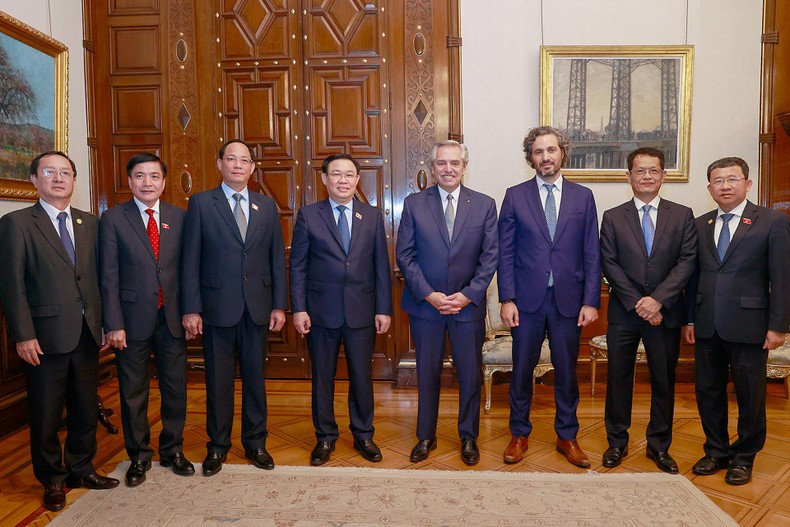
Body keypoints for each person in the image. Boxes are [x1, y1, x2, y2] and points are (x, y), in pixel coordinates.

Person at [0, 152, 119, 511]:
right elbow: (12, 284)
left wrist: (105, 325)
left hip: (86, 332)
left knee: (85, 407)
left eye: (65, 173)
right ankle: (52, 479)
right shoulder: (17, 223)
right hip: (43, 336)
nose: (58, 178)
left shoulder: (90, 223)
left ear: (74, 180)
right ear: (34, 179)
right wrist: (23, 334)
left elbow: (99, 278)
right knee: (47, 412)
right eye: (49, 172)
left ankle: (81, 468)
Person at [181, 139, 287, 476]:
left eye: (244, 160)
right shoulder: (200, 203)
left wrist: (279, 305)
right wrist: (192, 308)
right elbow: (190, 261)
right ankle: (218, 446)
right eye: (231, 159)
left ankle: (256, 443)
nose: (238, 165)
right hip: (216, 309)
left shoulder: (266, 206)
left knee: (256, 380)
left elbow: (275, 259)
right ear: (220, 164)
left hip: (257, 308)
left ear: (253, 168)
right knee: (218, 382)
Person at [498, 126, 601, 468]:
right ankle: (519, 433)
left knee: (567, 372)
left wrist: (591, 300)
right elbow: (505, 252)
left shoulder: (583, 196)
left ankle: (567, 437)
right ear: (531, 157)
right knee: (522, 369)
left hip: (570, 302)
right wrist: (507, 298)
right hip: (526, 301)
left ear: (562, 154)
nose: (545, 157)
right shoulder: (515, 195)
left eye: (551, 150)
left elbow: (591, 252)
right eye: (538, 151)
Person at [683, 157, 790, 485]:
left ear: (747, 183)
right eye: (718, 181)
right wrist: (689, 320)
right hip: (706, 324)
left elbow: (783, 277)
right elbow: (693, 277)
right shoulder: (701, 224)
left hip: (751, 325)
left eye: (732, 179)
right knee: (708, 391)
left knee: (750, 394)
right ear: (709, 188)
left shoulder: (772, 221)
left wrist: (779, 326)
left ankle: (744, 456)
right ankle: (715, 450)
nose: (725, 186)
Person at [396, 140, 498, 465]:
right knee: (427, 373)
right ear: (433, 167)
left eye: (455, 163)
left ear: (465, 167)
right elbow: (405, 255)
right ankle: (426, 436)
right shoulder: (414, 204)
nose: (448, 169)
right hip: (426, 306)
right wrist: (430, 294)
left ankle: (469, 437)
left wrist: (468, 295)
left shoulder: (484, 205)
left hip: (467, 308)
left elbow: (490, 256)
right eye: (442, 163)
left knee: (469, 374)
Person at [290, 153, 392, 465]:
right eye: (336, 174)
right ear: (324, 179)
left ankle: (363, 434)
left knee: (362, 376)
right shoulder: (309, 215)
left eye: (349, 174)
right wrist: (299, 308)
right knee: (323, 377)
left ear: (357, 179)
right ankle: (325, 437)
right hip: (320, 312)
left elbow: (381, 267)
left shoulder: (371, 216)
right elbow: (298, 267)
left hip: (362, 310)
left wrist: (384, 309)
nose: (343, 180)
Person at [599, 147, 697, 473]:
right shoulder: (613, 217)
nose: (647, 177)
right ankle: (617, 442)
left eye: (653, 171)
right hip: (625, 312)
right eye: (640, 171)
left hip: (665, 311)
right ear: (628, 176)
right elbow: (609, 264)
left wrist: (658, 300)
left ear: (664, 175)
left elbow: (687, 262)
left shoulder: (682, 215)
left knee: (663, 380)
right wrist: (640, 303)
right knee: (619, 379)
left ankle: (658, 446)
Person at [99, 153, 194, 486]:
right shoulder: (113, 219)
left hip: (171, 318)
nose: (147, 183)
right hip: (130, 320)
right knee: (132, 392)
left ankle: (172, 450)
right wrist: (113, 323)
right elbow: (108, 276)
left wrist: (190, 311)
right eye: (140, 176)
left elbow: (188, 270)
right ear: (130, 181)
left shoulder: (180, 217)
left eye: (154, 177)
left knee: (175, 389)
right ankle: (138, 456)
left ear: (164, 182)